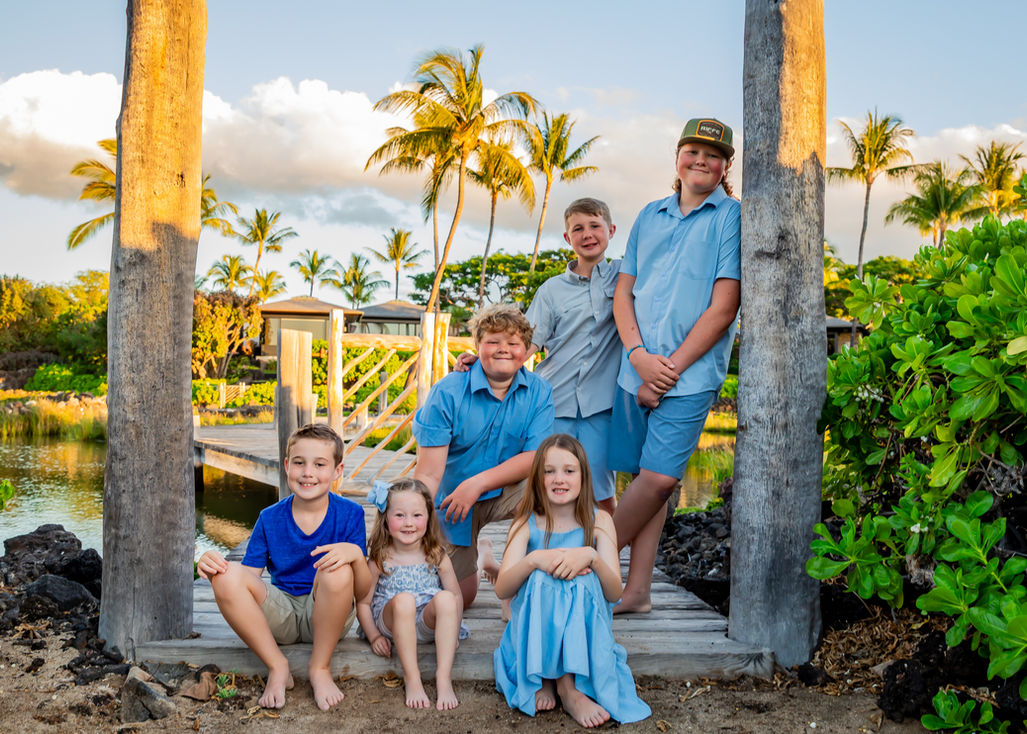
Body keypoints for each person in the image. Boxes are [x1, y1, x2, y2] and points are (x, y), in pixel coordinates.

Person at [610, 117, 741, 614]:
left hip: (690, 377)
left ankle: (584, 564)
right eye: (693, 151)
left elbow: (724, 306)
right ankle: (638, 589)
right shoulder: (649, 214)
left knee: (661, 480)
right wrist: (639, 357)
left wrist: (668, 371)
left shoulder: (731, 217)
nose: (701, 160)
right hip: (635, 366)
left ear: (726, 165)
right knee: (645, 483)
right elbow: (625, 292)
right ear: (679, 157)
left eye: (713, 154)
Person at [456, 197, 621, 514]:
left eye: (595, 226)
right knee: (550, 487)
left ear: (611, 230)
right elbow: (527, 342)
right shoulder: (551, 290)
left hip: (601, 405)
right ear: (567, 238)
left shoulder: (624, 279)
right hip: (553, 400)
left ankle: (607, 554)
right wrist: (488, 360)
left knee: (601, 491)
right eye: (577, 228)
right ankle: (549, 554)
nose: (587, 234)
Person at [196, 424, 371, 710]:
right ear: (287, 466)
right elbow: (247, 582)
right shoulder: (269, 517)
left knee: (337, 568)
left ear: (338, 471)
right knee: (227, 574)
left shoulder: (351, 514)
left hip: (328, 614)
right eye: (299, 463)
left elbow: (362, 593)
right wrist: (214, 565)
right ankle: (278, 666)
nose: (308, 473)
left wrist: (354, 554)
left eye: (320, 464)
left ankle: (320, 667)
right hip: (282, 614)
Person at [493, 433, 651, 728]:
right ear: (537, 477)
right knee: (540, 576)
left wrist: (591, 556)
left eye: (568, 470)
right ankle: (540, 674)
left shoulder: (599, 521)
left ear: (583, 476)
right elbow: (503, 588)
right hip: (534, 634)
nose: (558, 479)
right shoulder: (526, 522)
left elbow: (614, 591)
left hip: (584, 630)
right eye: (548, 471)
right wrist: (533, 560)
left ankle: (568, 686)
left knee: (582, 580)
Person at [413, 303, 554, 609]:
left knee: (550, 493)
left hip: (506, 492)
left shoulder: (540, 392)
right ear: (477, 347)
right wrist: (413, 519)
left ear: (526, 350)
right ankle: (483, 556)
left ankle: (514, 582)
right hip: (452, 502)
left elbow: (534, 456)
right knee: (460, 599)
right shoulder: (448, 391)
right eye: (493, 341)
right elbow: (428, 474)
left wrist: (476, 484)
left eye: (513, 343)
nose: (503, 349)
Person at [356, 478, 468, 710]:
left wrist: (453, 630)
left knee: (446, 598)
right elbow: (364, 603)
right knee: (405, 601)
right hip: (392, 621)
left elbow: (456, 596)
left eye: (417, 515)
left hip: (427, 624)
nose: (409, 523)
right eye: (399, 515)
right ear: (385, 519)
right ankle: (412, 678)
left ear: (428, 517)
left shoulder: (437, 555)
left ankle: (443, 678)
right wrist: (375, 636)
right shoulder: (380, 558)